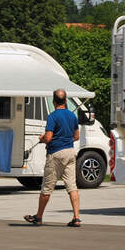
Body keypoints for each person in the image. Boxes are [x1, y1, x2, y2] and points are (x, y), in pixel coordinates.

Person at [24, 89, 82, 227]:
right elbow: (77, 136)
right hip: (70, 152)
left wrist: (42, 139)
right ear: (66, 101)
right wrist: (65, 139)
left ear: (54, 101)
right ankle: (77, 217)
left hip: (55, 153)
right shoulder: (72, 116)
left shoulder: (52, 116)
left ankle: (38, 217)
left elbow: (49, 137)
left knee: (47, 187)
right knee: (72, 186)